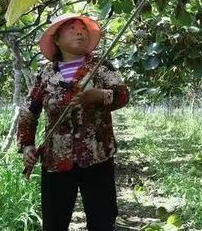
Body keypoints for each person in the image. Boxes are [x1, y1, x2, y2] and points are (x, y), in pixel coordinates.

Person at [17, 13, 129, 231]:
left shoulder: (101, 67)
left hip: (97, 154)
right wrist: (27, 145)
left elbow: (123, 95)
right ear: (57, 39)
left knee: (102, 218)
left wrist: (99, 96)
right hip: (56, 158)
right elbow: (29, 111)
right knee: (54, 220)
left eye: (84, 29)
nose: (80, 31)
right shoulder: (47, 74)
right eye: (72, 28)